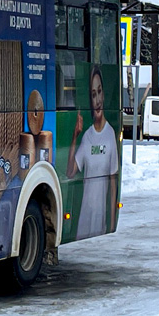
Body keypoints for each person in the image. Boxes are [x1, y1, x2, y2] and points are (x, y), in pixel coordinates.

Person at [67, 64, 120, 239]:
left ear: (104, 95)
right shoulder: (87, 136)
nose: (97, 100)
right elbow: (70, 172)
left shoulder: (111, 134)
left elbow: (113, 183)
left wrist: (112, 222)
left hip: (100, 218)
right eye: (93, 94)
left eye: (99, 92)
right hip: (84, 217)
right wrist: (75, 136)